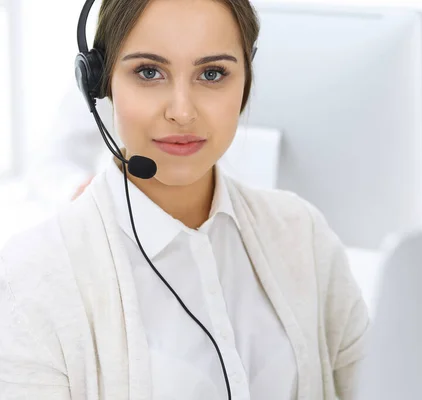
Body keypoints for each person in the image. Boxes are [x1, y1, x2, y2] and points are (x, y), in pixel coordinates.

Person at [0, 0, 369, 399]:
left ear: (246, 80)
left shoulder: (303, 234)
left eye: (212, 73)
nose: (182, 111)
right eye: (148, 72)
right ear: (101, 82)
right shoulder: (29, 282)